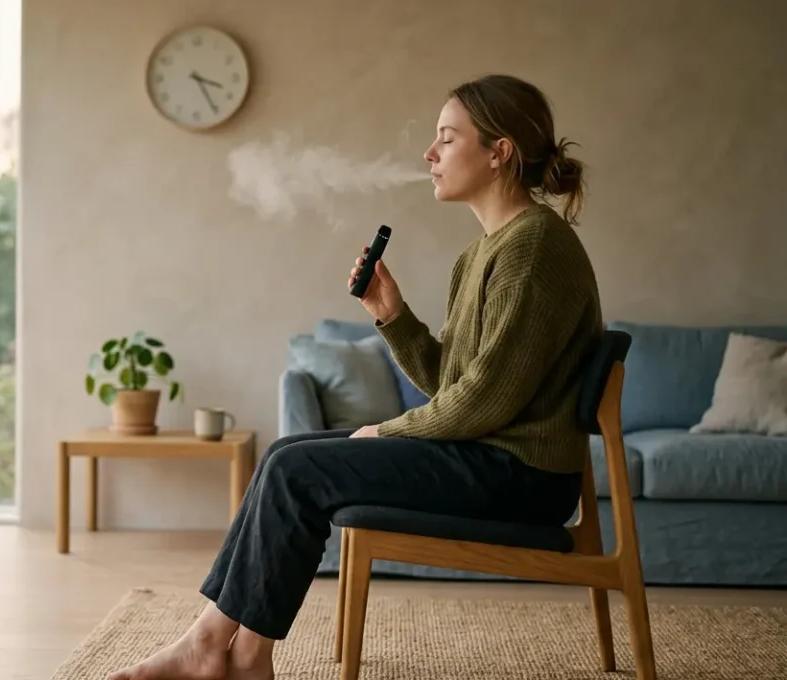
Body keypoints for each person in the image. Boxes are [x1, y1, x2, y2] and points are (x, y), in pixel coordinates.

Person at [107, 73, 605, 680]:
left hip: (521, 476)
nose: (430, 153)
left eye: (448, 138)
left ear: (499, 152)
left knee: (297, 470)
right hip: (489, 457)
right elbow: (453, 385)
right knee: (287, 454)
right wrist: (391, 316)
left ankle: (220, 651)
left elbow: (484, 402)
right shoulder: (481, 253)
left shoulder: (533, 247)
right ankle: (227, 649)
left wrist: (387, 432)